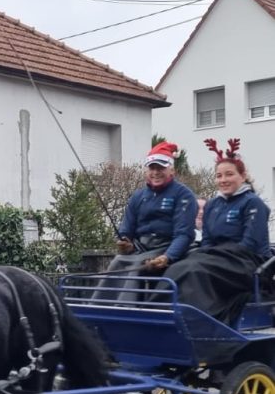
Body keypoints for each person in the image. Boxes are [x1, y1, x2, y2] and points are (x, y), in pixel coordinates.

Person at [154, 138, 271, 324]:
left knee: (195, 270)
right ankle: (161, 314)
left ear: (242, 176)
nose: (223, 180)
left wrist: (210, 255)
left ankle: (202, 322)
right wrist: (207, 254)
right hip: (217, 258)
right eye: (219, 176)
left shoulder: (253, 203)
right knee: (178, 267)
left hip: (248, 264)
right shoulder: (213, 205)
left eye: (229, 174)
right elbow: (207, 241)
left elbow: (249, 244)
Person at [93, 141, 198, 301]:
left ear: (172, 170)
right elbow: (126, 228)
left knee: (138, 266)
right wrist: (124, 242)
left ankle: (125, 310)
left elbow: (183, 234)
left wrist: (168, 256)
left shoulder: (183, 195)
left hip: (165, 248)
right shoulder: (138, 196)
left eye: (161, 168)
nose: (155, 172)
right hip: (140, 249)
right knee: (117, 262)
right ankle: (98, 307)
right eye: (152, 168)